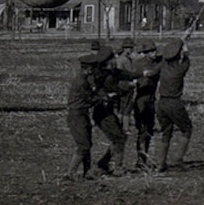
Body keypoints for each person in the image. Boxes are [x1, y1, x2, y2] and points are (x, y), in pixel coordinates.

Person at [86, 45, 132, 175]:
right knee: (119, 139)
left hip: (106, 112)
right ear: (108, 60)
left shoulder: (106, 73)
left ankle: (103, 164)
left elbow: (127, 74)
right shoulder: (105, 77)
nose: (115, 60)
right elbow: (117, 90)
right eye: (113, 58)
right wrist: (126, 87)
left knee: (118, 138)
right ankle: (117, 167)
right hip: (103, 113)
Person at [153, 38, 193, 171]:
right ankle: (177, 159)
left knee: (166, 133)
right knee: (187, 129)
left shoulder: (163, 66)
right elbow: (186, 58)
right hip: (174, 103)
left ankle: (160, 163)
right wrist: (184, 45)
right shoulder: (180, 69)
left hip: (161, 103)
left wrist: (179, 43)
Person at [65, 50, 102, 179]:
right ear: (89, 68)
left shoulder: (82, 79)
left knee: (87, 143)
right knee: (84, 145)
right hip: (77, 115)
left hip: (81, 114)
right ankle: (70, 173)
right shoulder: (82, 82)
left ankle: (87, 172)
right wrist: (104, 98)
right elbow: (90, 99)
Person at [131, 43, 161, 170]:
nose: (154, 53)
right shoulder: (142, 65)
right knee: (143, 130)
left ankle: (143, 158)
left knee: (148, 130)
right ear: (147, 53)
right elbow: (151, 74)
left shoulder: (155, 61)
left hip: (150, 99)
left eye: (155, 51)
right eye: (151, 51)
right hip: (142, 99)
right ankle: (140, 159)